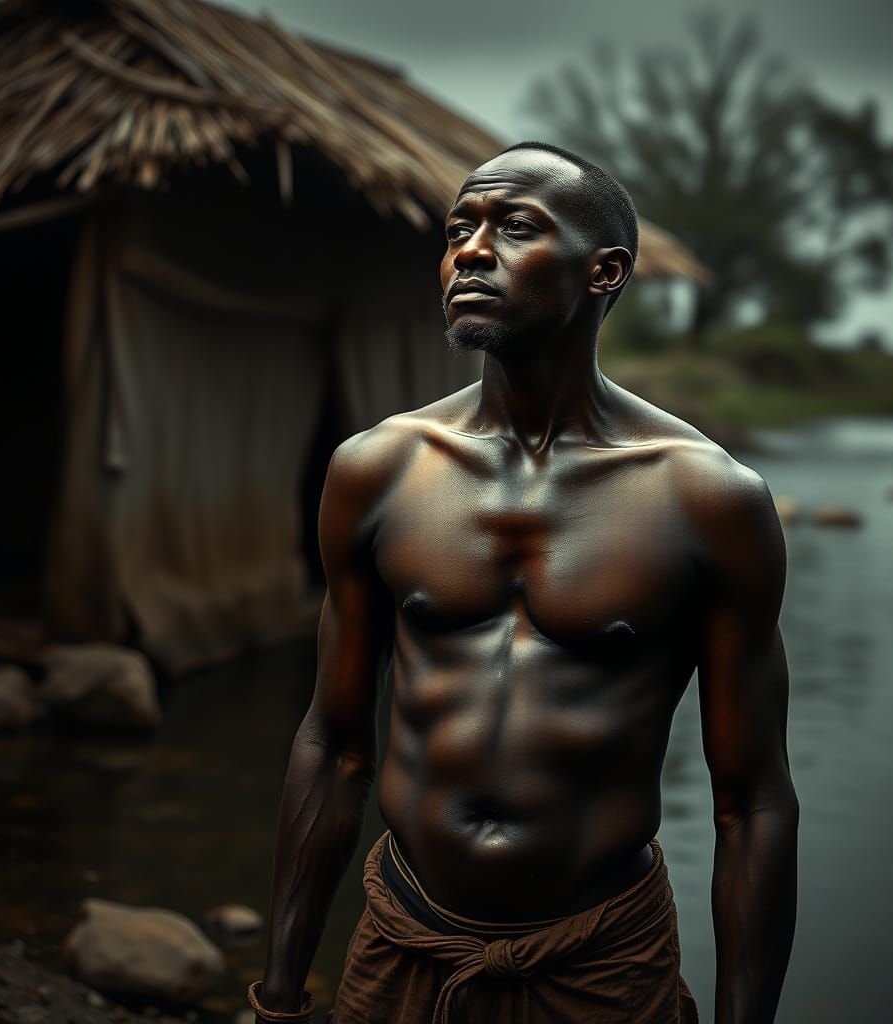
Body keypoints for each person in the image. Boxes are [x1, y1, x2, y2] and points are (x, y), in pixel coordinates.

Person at [249, 142, 798, 1024]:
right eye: (459, 227)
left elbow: (753, 802)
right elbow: (334, 744)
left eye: (514, 227)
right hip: (403, 944)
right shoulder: (379, 470)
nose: (470, 249)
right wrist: (279, 989)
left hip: (600, 960)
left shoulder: (707, 498)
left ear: (604, 271)